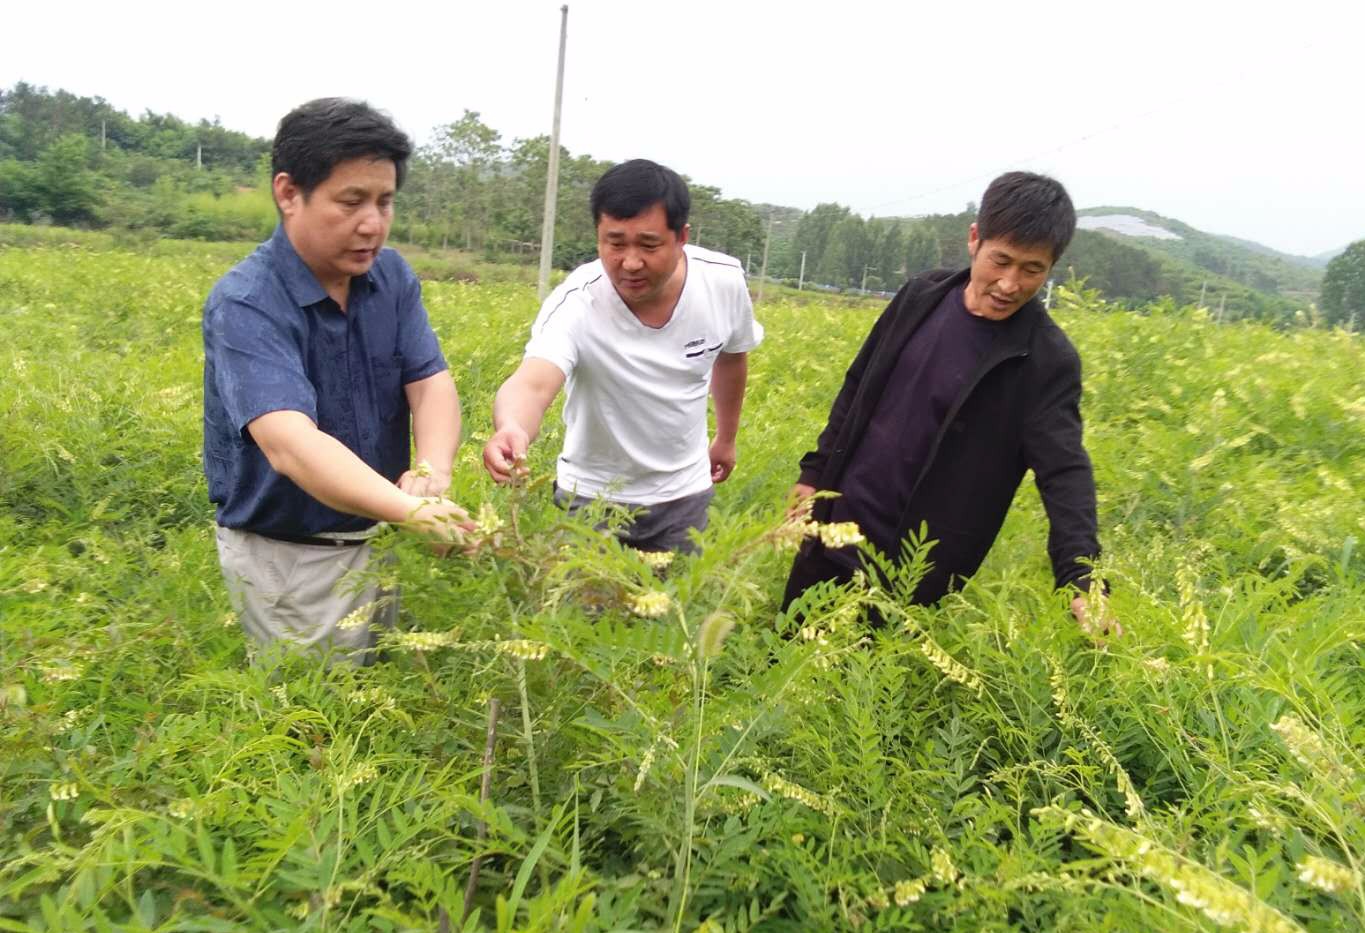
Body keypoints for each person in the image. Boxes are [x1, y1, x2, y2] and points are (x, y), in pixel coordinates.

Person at [202, 98, 473, 663]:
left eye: (385, 202)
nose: (372, 223)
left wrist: (431, 470)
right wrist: (414, 512)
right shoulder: (247, 303)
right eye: (350, 202)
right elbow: (291, 446)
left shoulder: (391, 277)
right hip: (290, 558)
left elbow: (430, 384)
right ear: (288, 192)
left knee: (376, 705)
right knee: (314, 727)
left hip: (381, 535)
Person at [783, 171, 1112, 632]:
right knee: (789, 651)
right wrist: (814, 474)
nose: (1010, 283)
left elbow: (1065, 472)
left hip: (916, 569)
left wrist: (1083, 579)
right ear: (975, 239)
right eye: (1001, 260)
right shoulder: (922, 297)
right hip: (833, 529)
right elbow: (858, 386)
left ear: (1050, 268)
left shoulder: (1045, 360)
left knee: (868, 690)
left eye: (1032, 270)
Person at [482, 159, 763, 553]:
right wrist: (512, 426)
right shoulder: (578, 300)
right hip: (590, 500)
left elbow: (732, 356)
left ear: (681, 236)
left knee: (679, 611)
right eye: (615, 244)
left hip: (684, 495)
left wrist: (727, 437)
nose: (630, 263)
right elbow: (534, 381)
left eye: (649, 245)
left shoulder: (722, 281)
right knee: (583, 614)